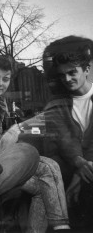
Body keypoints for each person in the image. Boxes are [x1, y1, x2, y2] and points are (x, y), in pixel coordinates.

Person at [0, 56, 70, 232]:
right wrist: (15, 133)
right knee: (48, 168)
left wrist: (18, 132)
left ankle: (59, 225)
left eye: (5, 79)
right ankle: (61, 226)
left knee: (48, 176)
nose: (0, 83)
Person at [43, 36, 93, 229]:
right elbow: (59, 141)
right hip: (70, 171)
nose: (67, 79)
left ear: (87, 69)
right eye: (62, 74)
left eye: (72, 72)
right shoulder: (56, 104)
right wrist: (78, 165)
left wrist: (79, 176)